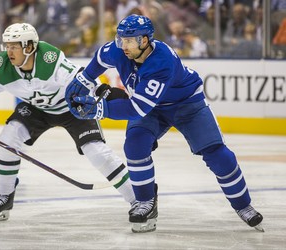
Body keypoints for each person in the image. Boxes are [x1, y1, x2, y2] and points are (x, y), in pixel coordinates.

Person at [65, 14, 264, 233]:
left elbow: (136, 109)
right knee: (135, 145)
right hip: (151, 108)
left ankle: (243, 205)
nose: (123, 45)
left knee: (219, 156)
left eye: (129, 40)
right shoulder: (117, 49)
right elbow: (99, 60)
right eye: (121, 39)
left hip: (187, 105)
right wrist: (82, 81)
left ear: (145, 40)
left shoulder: (162, 61)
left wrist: (99, 109)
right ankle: (144, 202)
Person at [0, 23, 135, 222]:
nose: (8, 51)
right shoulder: (2, 66)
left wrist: (100, 91)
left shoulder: (50, 60)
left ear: (29, 47)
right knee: (8, 140)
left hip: (72, 107)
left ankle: (138, 199)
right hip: (37, 110)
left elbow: (80, 77)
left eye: (14, 46)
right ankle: (5, 196)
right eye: (7, 46)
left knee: (97, 152)